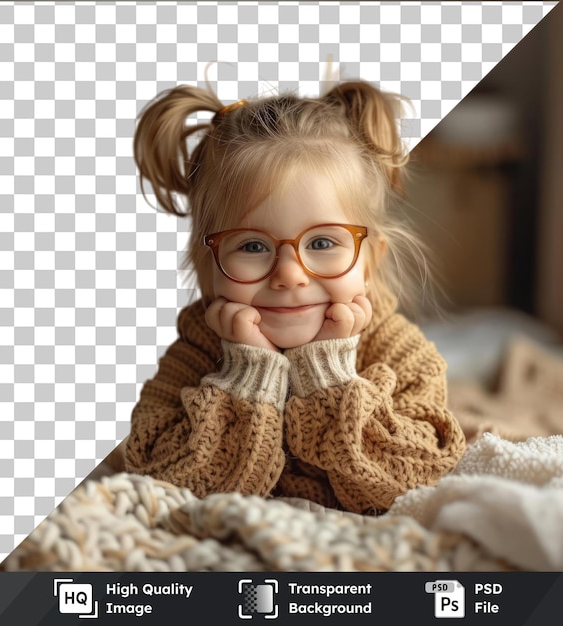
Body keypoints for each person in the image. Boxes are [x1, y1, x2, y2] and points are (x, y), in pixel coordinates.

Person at [124, 79, 466, 515]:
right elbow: (167, 487)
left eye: (323, 243)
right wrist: (245, 377)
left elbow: (409, 484)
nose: (289, 275)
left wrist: (330, 375)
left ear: (370, 262)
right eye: (252, 246)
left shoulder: (399, 353)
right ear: (208, 270)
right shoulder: (196, 352)